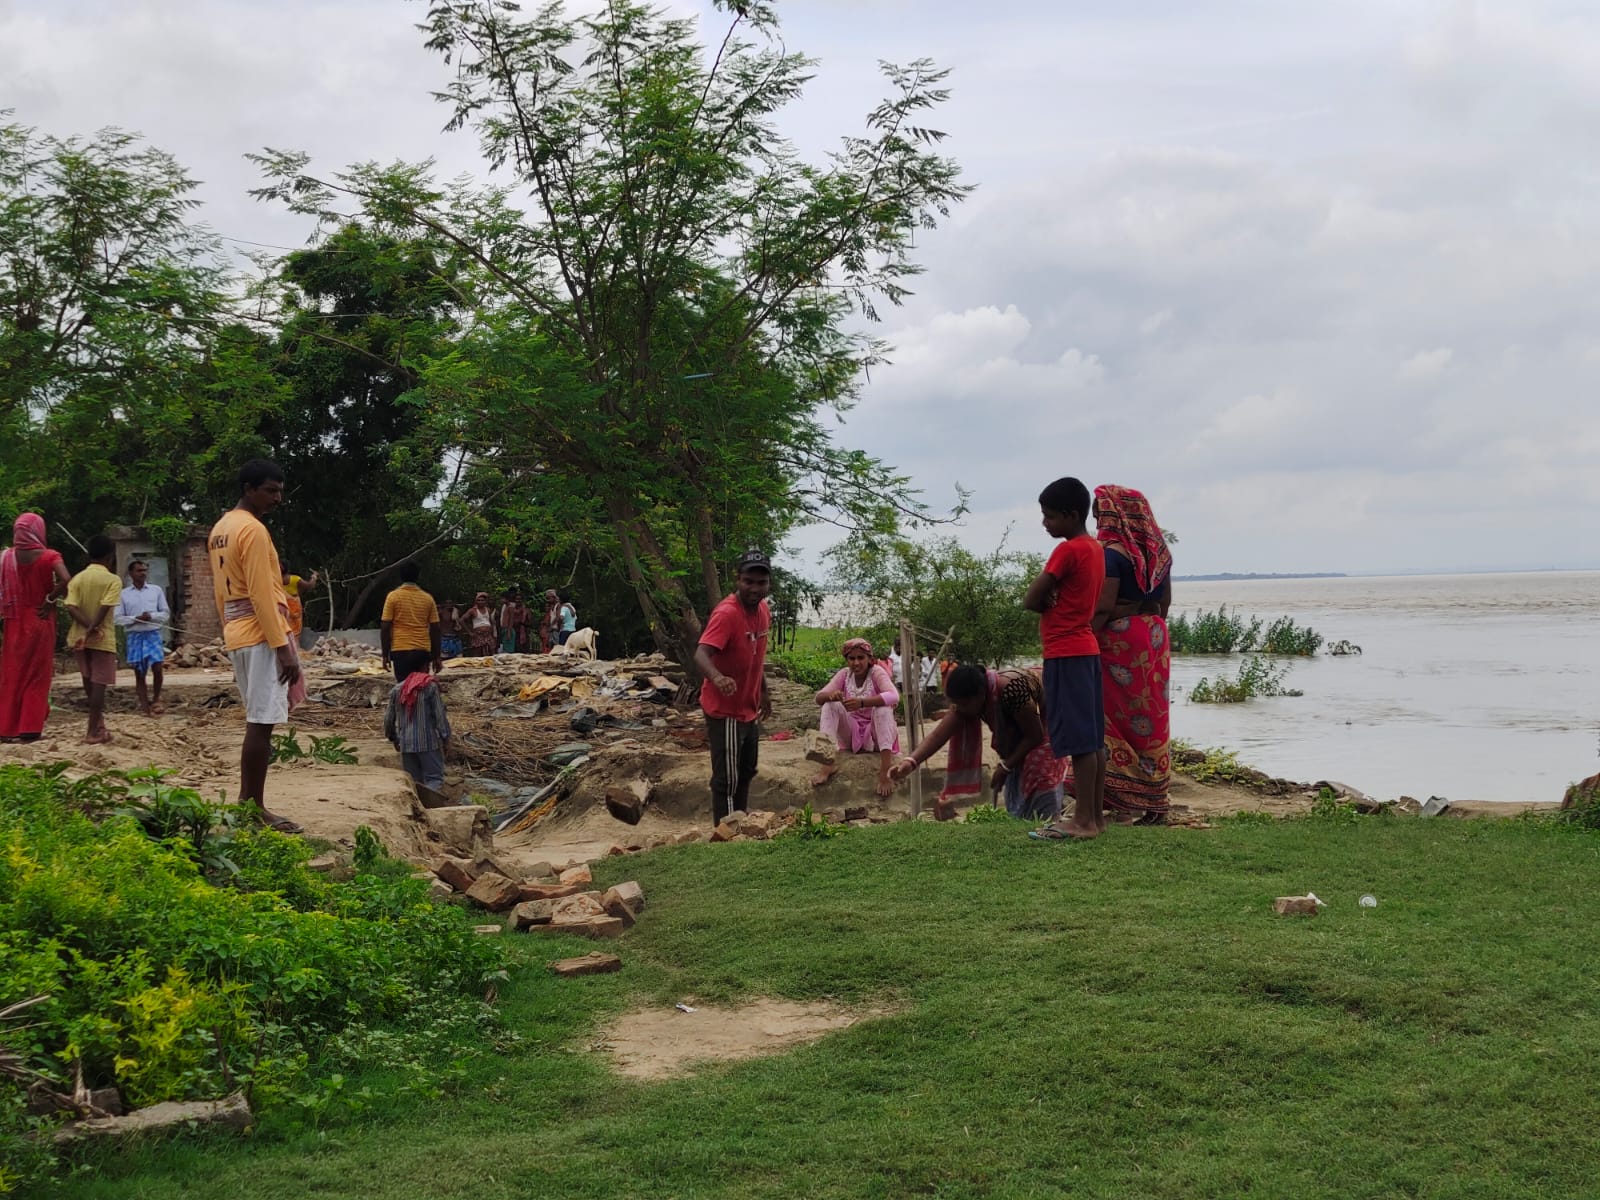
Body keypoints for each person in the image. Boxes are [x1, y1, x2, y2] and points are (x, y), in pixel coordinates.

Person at [209, 459, 305, 835]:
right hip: (261, 634)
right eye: (270, 490)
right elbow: (264, 592)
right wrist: (283, 647)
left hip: (238, 631)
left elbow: (221, 591)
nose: (277, 498)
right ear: (249, 489)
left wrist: (228, 628)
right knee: (261, 723)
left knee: (258, 720)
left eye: (280, 490)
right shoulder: (253, 530)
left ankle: (250, 802)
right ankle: (253, 806)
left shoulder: (220, 528)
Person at [1022, 476, 1107, 840]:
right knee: (1092, 738)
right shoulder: (1096, 548)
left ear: (1072, 516)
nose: (1045, 523)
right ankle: (1094, 818)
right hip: (1086, 650)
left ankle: (1083, 822)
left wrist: (1047, 595)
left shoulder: (1069, 550)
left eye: (1050, 516)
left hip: (1066, 652)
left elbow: (1031, 599)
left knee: (1078, 739)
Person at [1092, 485, 1174, 825]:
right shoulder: (1159, 554)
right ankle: (1155, 798)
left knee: (1115, 716)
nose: (1095, 517)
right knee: (1152, 719)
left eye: (1099, 510)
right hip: (1153, 636)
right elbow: (1165, 604)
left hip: (1120, 640)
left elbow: (1104, 607)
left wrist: (1088, 641)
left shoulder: (1111, 555)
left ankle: (1122, 797)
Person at [891, 664, 1065, 822]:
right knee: (1018, 779)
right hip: (1028, 728)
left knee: (1039, 772)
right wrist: (910, 762)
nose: (961, 710)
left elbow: (1035, 736)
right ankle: (1024, 823)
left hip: (1050, 719)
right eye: (956, 705)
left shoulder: (1013, 689)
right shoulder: (966, 704)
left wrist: (1005, 767)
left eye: (965, 704)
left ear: (981, 694)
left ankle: (1048, 822)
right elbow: (938, 736)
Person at [693, 550, 772, 826]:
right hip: (725, 709)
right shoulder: (727, 614)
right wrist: (717, 677)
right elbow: (701, 654)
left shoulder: (763, 610)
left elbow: (757, 655)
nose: (754, 588)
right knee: (727, 776)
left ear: (768, 584)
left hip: (748, 706)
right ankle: (725, 832)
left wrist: (763, 690)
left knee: (747, 770)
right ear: (738, 580)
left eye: (760, 583)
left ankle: (740, 822)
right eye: (748, 581)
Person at [0, 514, 69, 742]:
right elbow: (66, 579)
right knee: (37, 674)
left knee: (12, 673)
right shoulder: (49, 556)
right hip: (40, 618)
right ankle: (30, 728)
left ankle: (6, 727)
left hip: (14, 620)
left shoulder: (7, 557)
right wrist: (50, 599)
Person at [812, 637, 900, 797]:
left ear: (869, 659)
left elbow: (894, 697)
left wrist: (862, 703)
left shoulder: (876, 673)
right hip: (851, 735)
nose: (856, 663)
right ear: (847, 660)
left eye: (861, 658)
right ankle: (827, 764)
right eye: (851, 658)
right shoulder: (844, 675)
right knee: (830, 705)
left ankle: (885, 770)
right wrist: (831, 695)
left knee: (883, 710)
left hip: (875, 738)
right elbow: (818, 698)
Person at [64, 535, 125, 745]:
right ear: (110, 556)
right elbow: (105, 607)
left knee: (88, 681)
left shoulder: (77, 579)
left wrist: (85, 632)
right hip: (102, 638)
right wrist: (92, 630)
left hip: (78, 637)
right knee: (99, 685)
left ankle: (98, 725)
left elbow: (71, 606)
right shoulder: (113, 580)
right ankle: (92, 731)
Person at [115, 559, 170, 716]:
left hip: (153, 633)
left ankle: (157, 699)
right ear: (131, 573)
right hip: (135, 635)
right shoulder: (124, 594)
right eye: (139, 570)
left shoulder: (156, 590)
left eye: (145, 570)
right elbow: (117, 618)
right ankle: (144, 704)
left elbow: (165, 613)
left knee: (158, 667)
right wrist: (135, 618)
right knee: (140, 671)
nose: (143, 573)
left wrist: (151, 616)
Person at [384, 669, 452, 794]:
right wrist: (445, 737)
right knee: (434, 779)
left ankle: (418, 809)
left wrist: (393, 737)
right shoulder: (429, 687)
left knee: (414, 781)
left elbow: (388, 718)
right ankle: (430, 806)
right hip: (428, 741)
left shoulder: (397, 689)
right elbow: (439, 715)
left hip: (406, 743)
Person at [380, 562, 442, 682]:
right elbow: (436, 628)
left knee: (404, 689)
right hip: (422, 651)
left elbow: (385, 627)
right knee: (420, 687)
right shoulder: (427, 598)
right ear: (417, 577)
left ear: (401, 577)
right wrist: (437, 656)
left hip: (400, 650)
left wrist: (384, 655)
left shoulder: (393, 597)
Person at [281, 568, 319, 641]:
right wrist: (314, 576)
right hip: (294, 607)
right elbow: (309, 586)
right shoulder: (295, 579)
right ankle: (295, 647)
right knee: (295, 629)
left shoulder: (275, 579)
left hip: (282, 606)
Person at [539, 588, 560, 653]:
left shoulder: (558, 605)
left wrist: (551, 626)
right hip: (551, 630)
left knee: (557, 648)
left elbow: (558, 617)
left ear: (554, 597)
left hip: (556, 630)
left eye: (548, 598)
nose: (547, 600)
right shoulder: (552, 607)